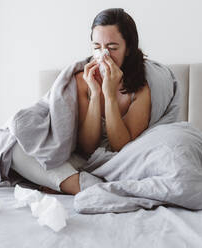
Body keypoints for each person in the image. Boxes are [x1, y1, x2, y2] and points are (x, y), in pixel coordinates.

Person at [11, 8, 151, 195]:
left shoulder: (141, 89)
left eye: (112, 47)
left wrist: (109, 96)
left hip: (118, 164)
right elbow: (87, 147)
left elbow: (121, 147)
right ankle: (83, 186)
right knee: (16, 149)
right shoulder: (82, 80)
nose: (103, 55)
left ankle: (72, 186)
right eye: (97, 47)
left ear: (128, 49)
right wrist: (94, 93)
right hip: (81, 160)